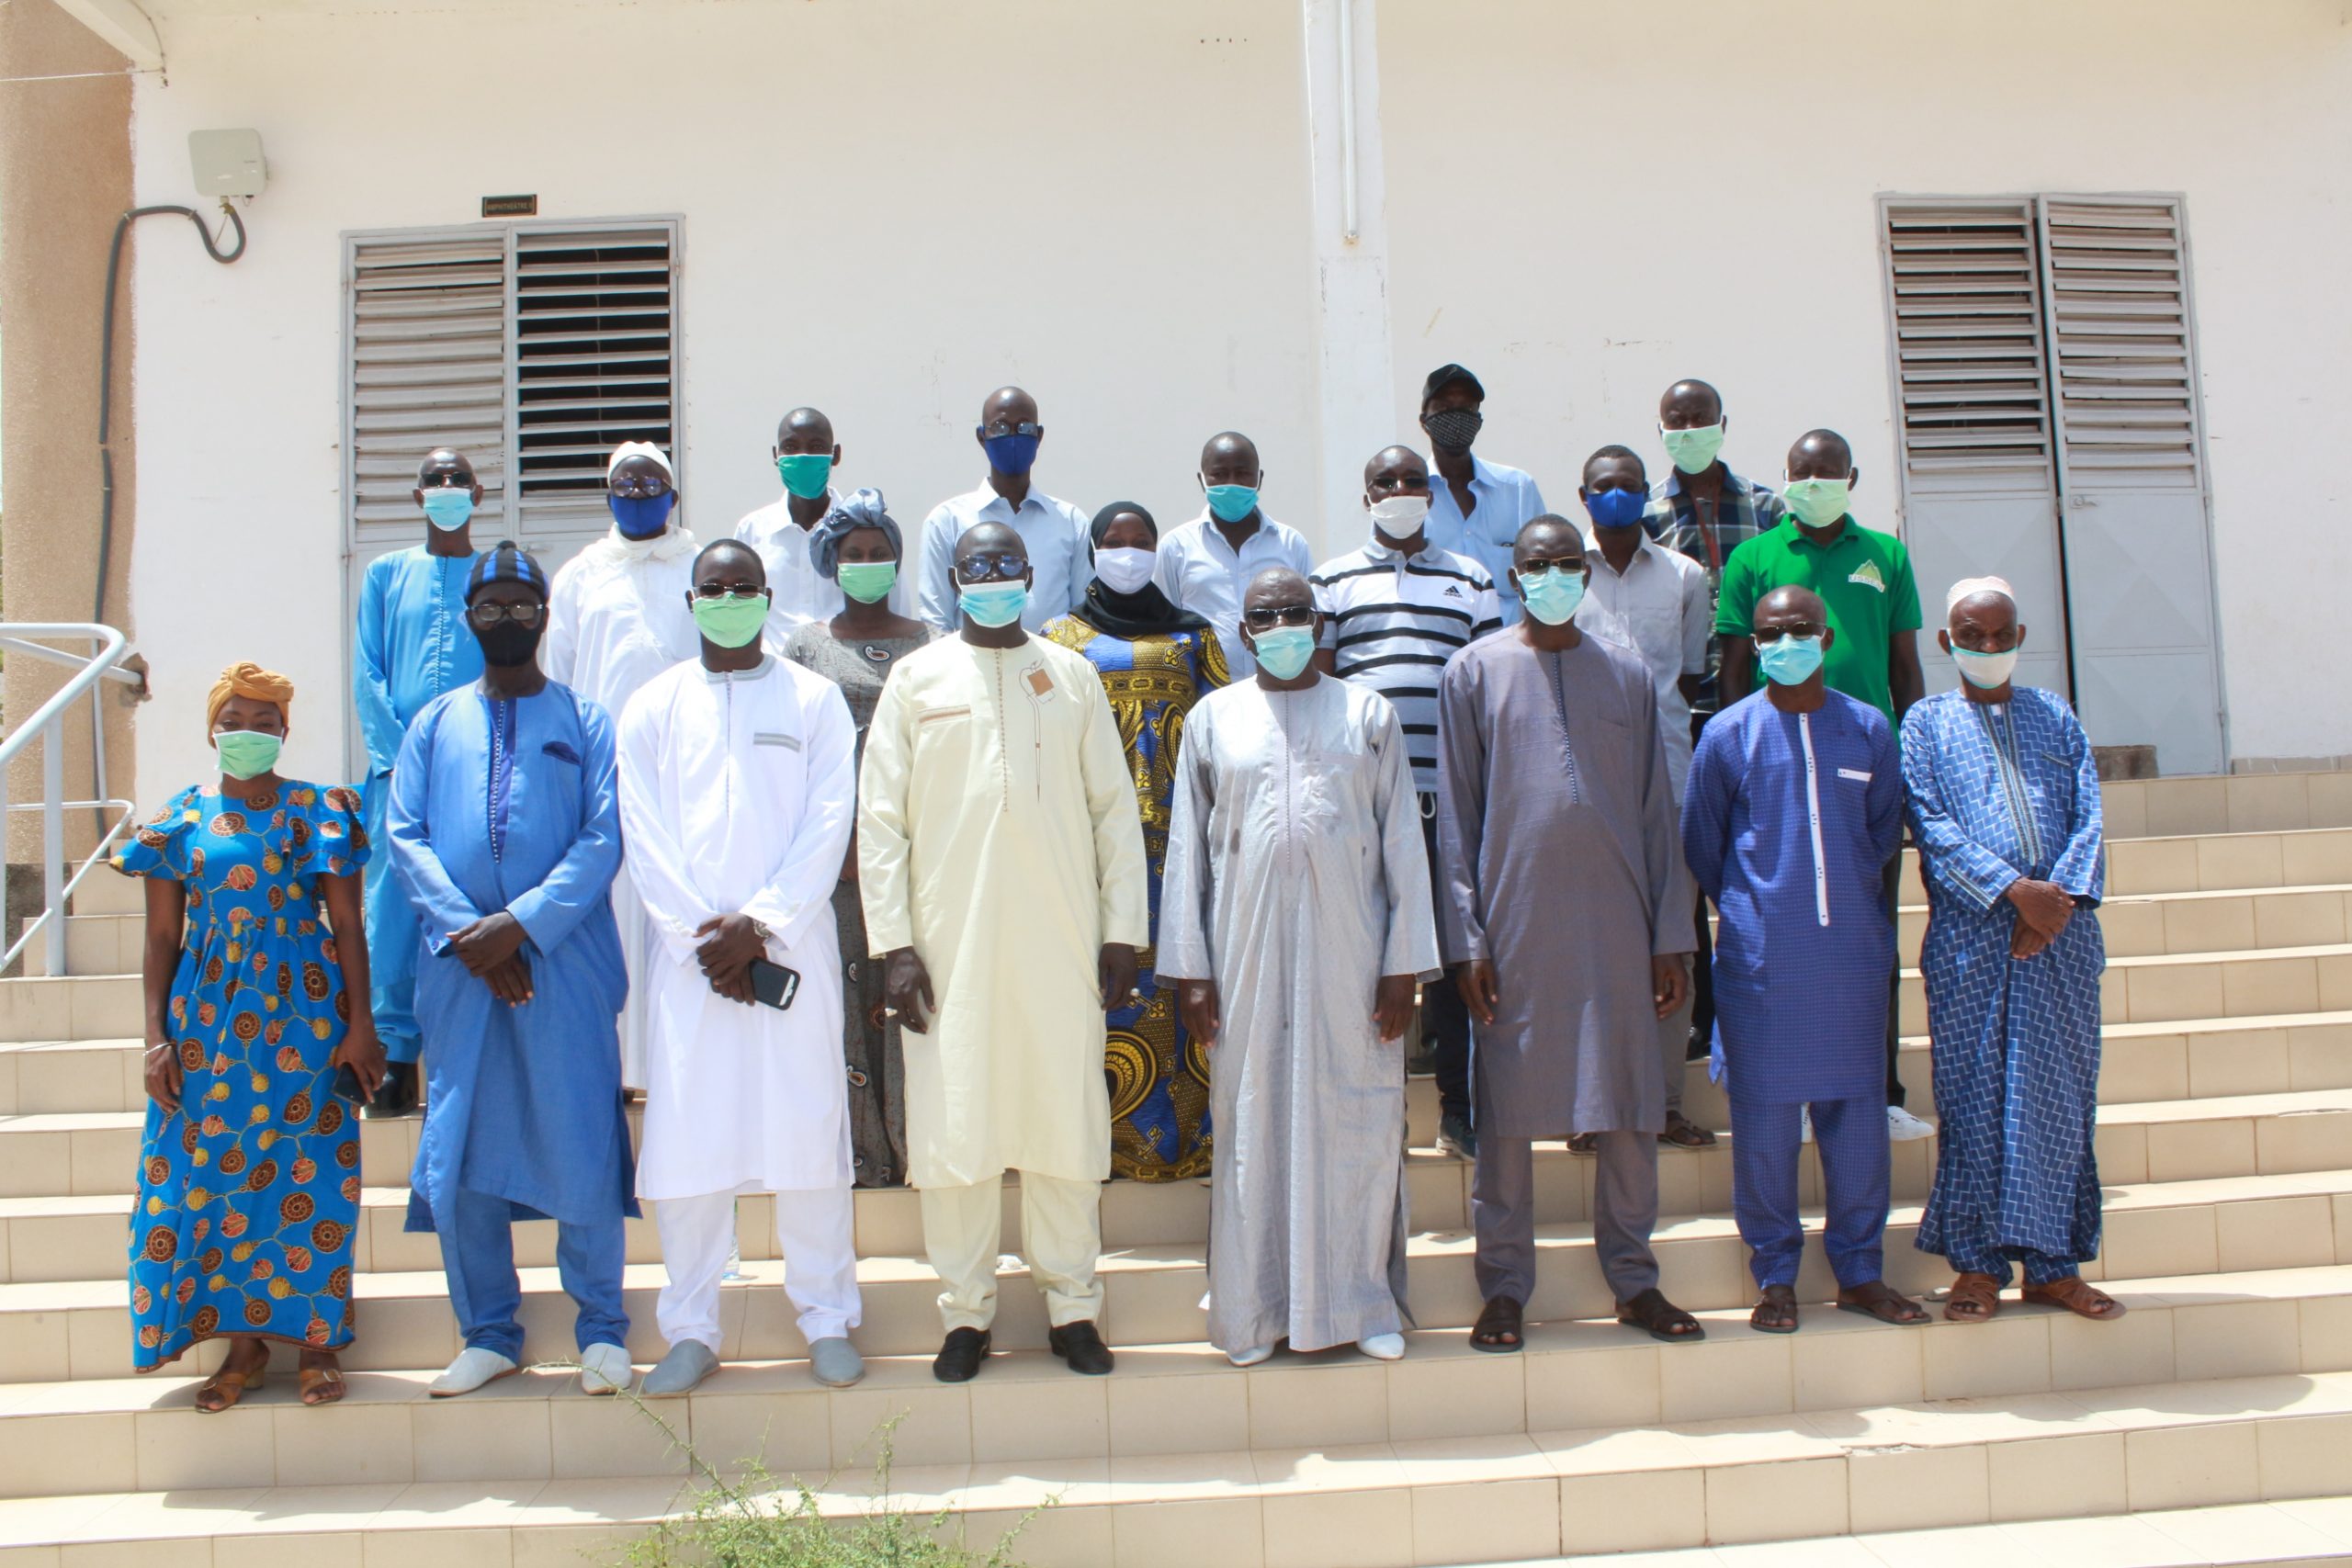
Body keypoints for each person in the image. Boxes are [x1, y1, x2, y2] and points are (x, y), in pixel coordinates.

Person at [859, 521, 1149, 1382]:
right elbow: (880, 821)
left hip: (1061, 940)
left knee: (1064, 1117)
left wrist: (1122, 929)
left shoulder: (1070, 676)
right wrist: (895, 946)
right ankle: (965, 1312)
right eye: (976, 567)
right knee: (958, 1126)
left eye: (1006, 566)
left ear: (1031, 575)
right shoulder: (916, 679)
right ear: (952, 578)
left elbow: (1112, 810)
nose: (991, 577)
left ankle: (1073, 1305)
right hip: (950, 950)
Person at [1159, 566, 1439, 1365]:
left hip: (1353, 953)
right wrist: (1192, 970)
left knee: (1361, 1118)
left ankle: (1363, 1302)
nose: (1281, 625)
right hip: (1244, 953)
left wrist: (1402, 967)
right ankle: (1253, 1312)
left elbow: (1401, 849)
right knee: (1253, 1122)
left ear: (1319, 622)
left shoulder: (1367, 713)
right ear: (1243, 631)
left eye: (1295, 612)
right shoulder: (1214, 719)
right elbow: (1190, 852)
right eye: (1264, 615)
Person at [1435, 518, 1702, 1354]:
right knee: (1508, 1111)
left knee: (1628, 1104)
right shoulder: (1473, 671)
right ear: (1513, 576)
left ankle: (1634, 1278)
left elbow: (1659, 813)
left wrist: (1670, 933)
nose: (1551, 574)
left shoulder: (1625, 676)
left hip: (1619, 922)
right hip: (1514, 925)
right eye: (1535, 564)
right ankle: (1505, 1286)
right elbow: (1459, 816)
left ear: (1583, 573)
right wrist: (1465, 940)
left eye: (1564, 564)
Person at [617, 539, 867, 1395]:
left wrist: (759, 923)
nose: (728, 597)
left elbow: (830, 818)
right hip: (690, 965)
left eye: (743, 587)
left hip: (789, 953)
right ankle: (690, 1326)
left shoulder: (814, 699)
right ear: (690, 601)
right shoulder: (652, 705)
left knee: (808, 1136)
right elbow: (642, 834)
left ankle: (827, 1317)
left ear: (769, 598)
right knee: (689, 1146)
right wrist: (705, 936)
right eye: (713, 587)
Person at [390, 542, 638, 1398]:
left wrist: (521, 926)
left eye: (521, 605)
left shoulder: (586, 719)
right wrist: (472, 934)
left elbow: (603, 838)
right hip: (461, 973)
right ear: (468, 617)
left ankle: (602, 1328)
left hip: (563, 964)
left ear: (544, 614)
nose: (506, 620)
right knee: (460, 1146)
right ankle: (489, 1330)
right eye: (489, 606)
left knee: (581, 1135)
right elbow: (405, 837)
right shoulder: (433, 723)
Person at [115, 663, 384, 1410]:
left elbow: (349, 923)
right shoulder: (180, 817)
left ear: (285, 733)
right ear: (213, 728)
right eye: (236, 720)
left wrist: (362, 1023)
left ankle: (318, 1343)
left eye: (266, 722)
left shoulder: (318, 810)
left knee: (309, 1167)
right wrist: (154, 1037)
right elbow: (163, 935)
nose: (250, 733)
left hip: (306, 1015)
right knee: (219, 1174)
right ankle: (244, 1344)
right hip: (207, 1026)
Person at [1682, 586, 1928, 1333]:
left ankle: (1860, 1270)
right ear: (1752, 645)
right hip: (1762, 959)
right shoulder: (1727, 735)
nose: (1785, 642)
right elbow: (1704, 843)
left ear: (1826, 637)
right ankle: (1776, 1275)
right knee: (1764, 1123)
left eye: (1799, 630)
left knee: (1857, 1121)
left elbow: (1884, 830)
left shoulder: (1868, 729)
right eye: (1769, 633)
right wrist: (1762, 907)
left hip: (1851, 955)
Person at [1905, 578, 2119, 1325]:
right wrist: (2010, 890)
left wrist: (2056, 902)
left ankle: (2056, 1265)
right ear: (1946, 641)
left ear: (2020, 636)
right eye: (1972, 634)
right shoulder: (1925, 725)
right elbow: (1930, 824)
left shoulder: (2055, 714)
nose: (1987, 648)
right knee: (1972, 1101)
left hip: (2061, 940)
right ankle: (1976, 1266)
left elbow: (2090, 811)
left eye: (2001, 635)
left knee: (2058, 1099)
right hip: (1972, 940)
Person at [1714, 428, 1933, 1142]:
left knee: (1872, 934)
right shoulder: (1755, 557)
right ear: (1783, 479)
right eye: (1801, 474)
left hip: (1863, 765)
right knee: (1786, 933)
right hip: (1773, 760)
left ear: (1852, 476)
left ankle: (1882, 1088)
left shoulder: (1886, 555)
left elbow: (1906, 669)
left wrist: (1912, 761)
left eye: (1827, 473)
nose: (1814, 484)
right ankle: (1797, 1086)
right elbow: (1734, 668)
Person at [1311, 445, 1499, 1161]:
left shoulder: (1472, 579)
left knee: (1456, 957)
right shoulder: (1331, 580)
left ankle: (1458, 1109)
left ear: (1431, 494)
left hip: (1449, 796)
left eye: (1413, 481)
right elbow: (1321, 689)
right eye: (1385, 482)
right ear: (1366, 497)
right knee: (1363, 955)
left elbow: (1485, 687)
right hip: (1364, 801)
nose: (1400, 490)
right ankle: (1371, 1115)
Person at [1045, 502, 1229, 1180]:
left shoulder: (1194, 637)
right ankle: (1098, 1147)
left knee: (1181, 984)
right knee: (1104, 984)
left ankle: (1188, 1141)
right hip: (1094, 846)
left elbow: (1222, 733)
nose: (1128, 551)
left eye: (1141, 540)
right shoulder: (1060, 638)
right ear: (1092, 552)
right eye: (1114, 541)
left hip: (1183, 842)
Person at [784, 491, 934, 1188]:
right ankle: (860, 1153)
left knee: (918, 998)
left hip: (920, 853)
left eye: (879, 554)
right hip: (834, 862)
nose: (868, 564)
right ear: (832, 563)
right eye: (854, 555)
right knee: (845, 1000)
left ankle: (919, 1149)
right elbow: (795, 759)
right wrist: (833, 843)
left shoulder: (931, 640)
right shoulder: (806, 648)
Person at [543, 441, 701, 1091]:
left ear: (674, 493)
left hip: (687, 766)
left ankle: (676, 1056)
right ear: (608, 496)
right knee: (614, 908)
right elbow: (560, 669)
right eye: (626, 486)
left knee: (679, 905)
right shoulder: (582, 573)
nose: (639, 495)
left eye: (651, 483)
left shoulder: (700, 563)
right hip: (604, 768)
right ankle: (622, 1065)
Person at [1643, 379, 1785, 1075]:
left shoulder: (1767, 507)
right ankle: (1701, 1012)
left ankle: (1756, 998)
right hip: (1687, 713)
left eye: (1699, 417)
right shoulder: (1645, 516)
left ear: (1723, 424)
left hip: (1764, 708)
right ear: (1661, 429)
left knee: (1754, 857)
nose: (1688, 427)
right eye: (1676, 419)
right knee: (1691, 865)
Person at [1576, 448, 1714, 1151]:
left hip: (1669, 779)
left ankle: (1662, 1102)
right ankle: (1594, 1106)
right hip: (1588, 789)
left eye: (1630, 486)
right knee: (1591, 947)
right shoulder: (1563, 577)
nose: (1618, 497)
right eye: (1604, 487)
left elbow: (1688, 680)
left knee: (1672, 942)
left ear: (1645, 496)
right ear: (1584, 496)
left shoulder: (1687, 577)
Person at [352, 448, 486, 1117]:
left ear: (478, 493)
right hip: (396, 774)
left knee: (467, 900)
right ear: (417, 496)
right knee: (393, 912)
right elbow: (369, 673)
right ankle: (395, 1057)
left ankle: (462, 1056)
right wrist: (401, 756)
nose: (446, 488)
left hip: (472, 774)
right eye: (434, 480)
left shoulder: (490, 576)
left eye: (457, 479)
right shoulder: (384, 574)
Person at [915, 386, 1091, 633]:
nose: (1013, 436)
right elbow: (935, 618)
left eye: (1024, 427)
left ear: (1039, 436)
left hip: (1050, 667)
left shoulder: (1071, 521)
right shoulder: (946, 520)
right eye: (999, 427)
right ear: (981, 437)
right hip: (971, 667)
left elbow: (1083, 615)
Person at [736, 406, 917, 640]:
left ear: (836, 454)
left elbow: (897, 609)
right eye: (791, 447)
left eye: (816, 447)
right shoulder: (752, 531)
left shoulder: (867, 528)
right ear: (775, 455)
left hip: (846, 669)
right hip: (777, 670)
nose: (803, 456)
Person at [1150, 431, 1313, 678]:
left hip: (1280, 687)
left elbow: (1309, 622)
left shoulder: (1291, 543)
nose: (1231, 482)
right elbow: (1164, 627)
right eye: (1219, 474)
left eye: (1242, 473)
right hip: (1203, 690)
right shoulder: (1176, 546)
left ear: (1259, 478)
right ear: (1202, 479)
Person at [1417, 363, 1549, 626]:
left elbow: (1543, 572)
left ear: (1478, 420)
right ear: (1424, 421)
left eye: (1466, 409)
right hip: (1436, 644)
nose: (1456, 417)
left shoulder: (1518, 489)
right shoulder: (1409, 493)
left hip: (1508, 647)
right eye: (1444, 408)